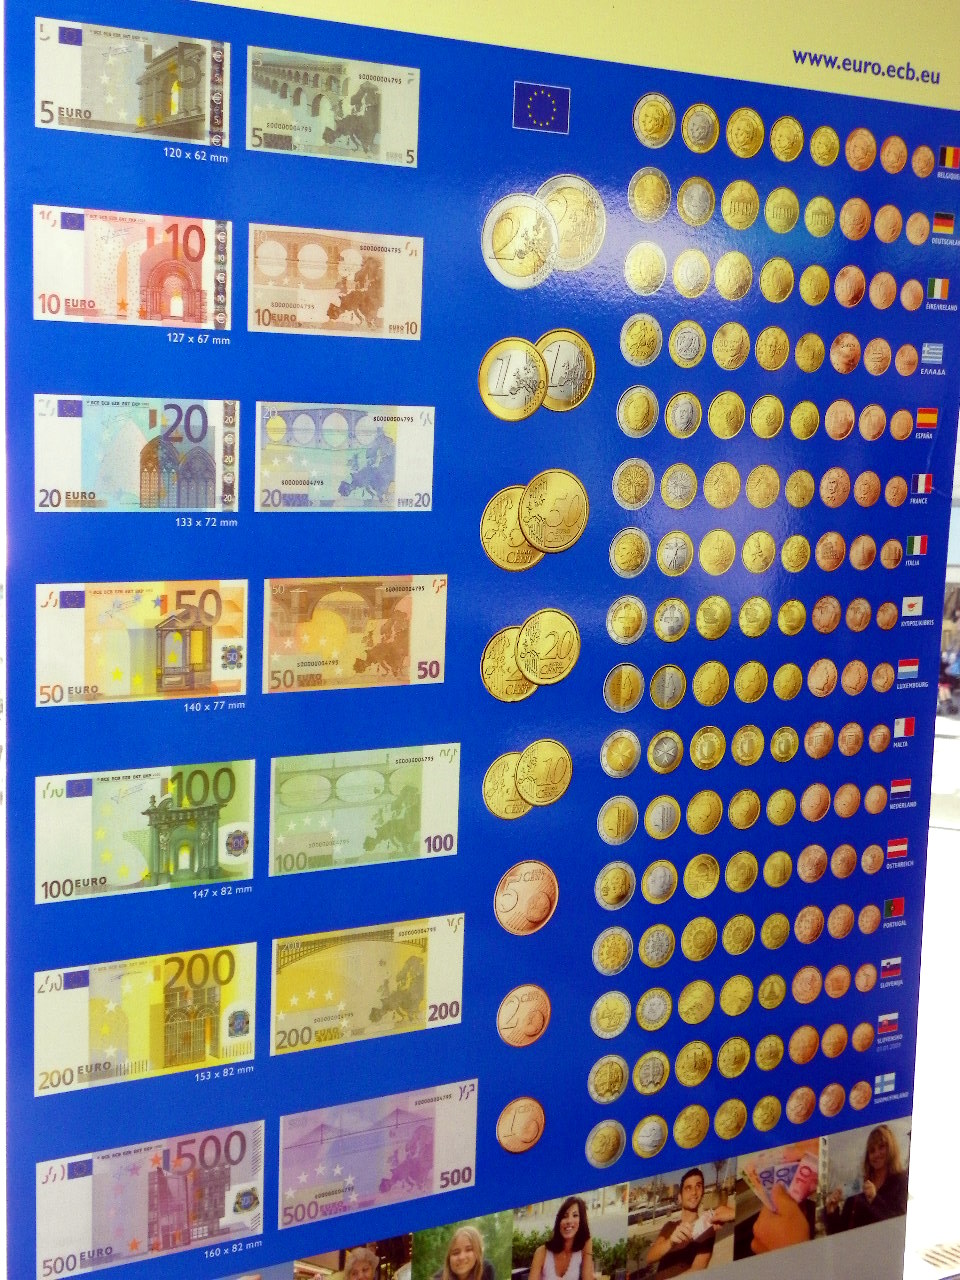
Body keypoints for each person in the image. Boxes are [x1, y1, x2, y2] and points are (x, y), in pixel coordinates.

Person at [645, 1170, 734, 1275]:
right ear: (680, 1197)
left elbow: (697, 1270)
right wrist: (671, 1242)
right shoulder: (669, 1226)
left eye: (698, 1186)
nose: (694, 1192)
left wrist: (732, 1213)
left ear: (702, 1193)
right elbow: (649, 1258)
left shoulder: (706, 1230)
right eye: (688, 1188)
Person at [825, 1125, 908, 1233]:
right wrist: (832, 1212)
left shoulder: (901, 1180)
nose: (876, 1154)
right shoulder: (858, 1185)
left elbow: (899, 1227)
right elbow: (841, 1232)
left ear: (891, 1148)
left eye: (881, 1147)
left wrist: (874, 1199)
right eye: (872, 1151)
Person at [528, 1197, 595, 1280]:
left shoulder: (583, 1247)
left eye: (575, 1215)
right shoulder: (542, 1253)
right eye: (564, 1216)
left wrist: (588, 1243)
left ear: (581, 1221)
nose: (569, 1221)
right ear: (559, 1222)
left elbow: (587, 1278)